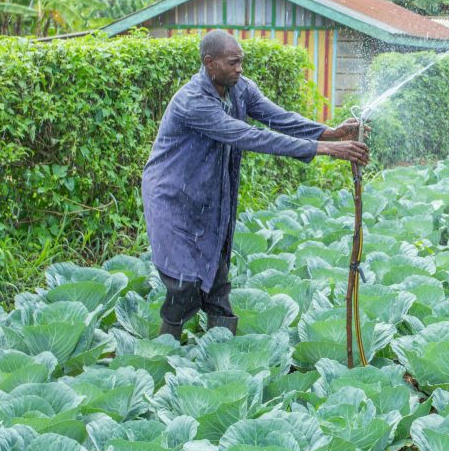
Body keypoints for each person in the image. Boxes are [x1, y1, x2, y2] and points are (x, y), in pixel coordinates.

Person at [141, 30, 368, 339]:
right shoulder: (192, 102)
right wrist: (326, 149)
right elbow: (250, 136)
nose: (240, 69)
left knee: (216, 280)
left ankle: (220, 352)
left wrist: (328, 133)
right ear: (210, 63)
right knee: (184, 284)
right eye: (233, 63)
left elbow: (280, 118)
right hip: (172, 198)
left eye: (241, 62)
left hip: (210, 196)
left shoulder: (240, 89)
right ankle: (162, 349)